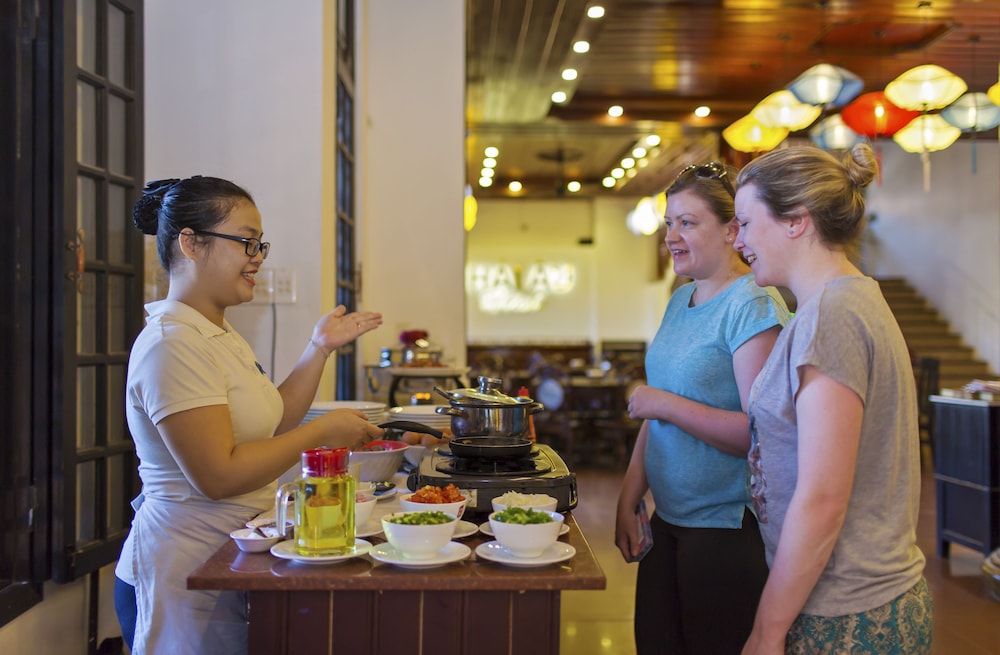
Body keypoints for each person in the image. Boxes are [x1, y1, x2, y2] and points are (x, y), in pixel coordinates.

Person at [114, 176, 385, 655]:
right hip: (183, 562)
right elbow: (217, 476)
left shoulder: (216, 334)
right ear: (191, 243)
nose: (257, 257)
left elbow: (271, 425)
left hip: (228, 550)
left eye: (260, 244)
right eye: (246, 241)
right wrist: (322, 431)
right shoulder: (172, 344)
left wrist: (319, 347)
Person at [733, 144, 931, 655]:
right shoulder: (843, 300)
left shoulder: (831, 313)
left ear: (796, 221)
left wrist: (767, 630)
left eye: (746, 223)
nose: (739, 240)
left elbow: (822, 498)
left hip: (848, 609)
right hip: (848, 596)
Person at [615, 162, 790, 655]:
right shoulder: (681, 299)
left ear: (732, 230)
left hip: (724, 528)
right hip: (668, 519)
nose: (671, 236)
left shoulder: (752, 305)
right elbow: (655, 414)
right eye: (669, 223)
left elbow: (759, 433)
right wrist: (630, 496)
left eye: (687, 223)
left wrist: (666, 403)